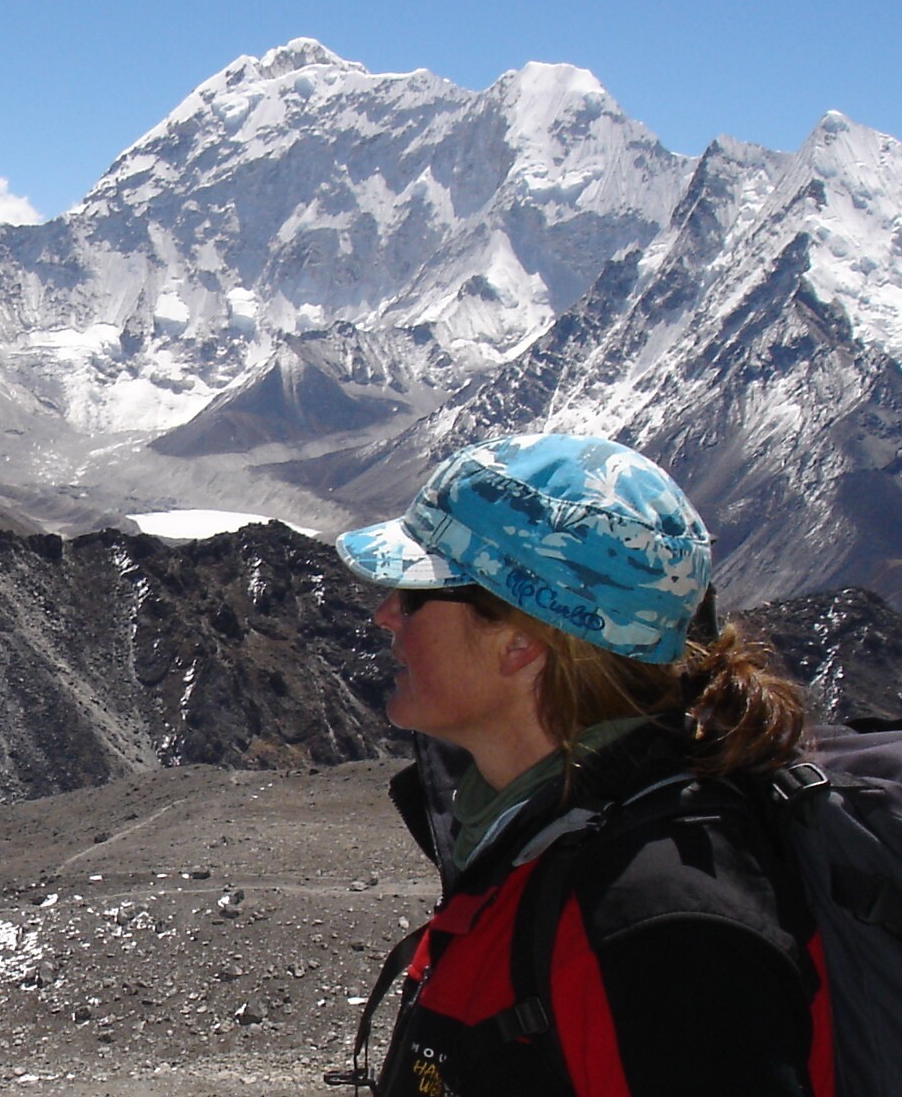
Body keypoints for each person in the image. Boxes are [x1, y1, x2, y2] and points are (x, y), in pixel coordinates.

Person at [334, 433, 824, 1097]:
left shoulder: (661, 942)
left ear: (520, 642)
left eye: (416, 593)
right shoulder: (538, 838)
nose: (385, 613)